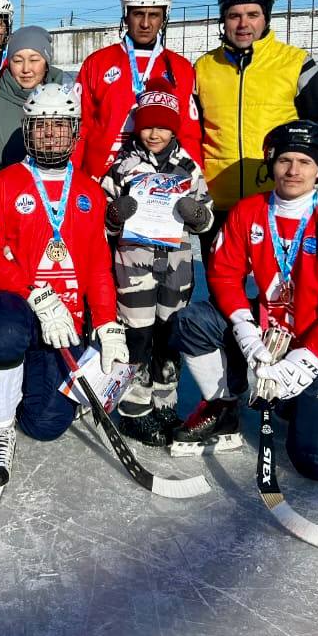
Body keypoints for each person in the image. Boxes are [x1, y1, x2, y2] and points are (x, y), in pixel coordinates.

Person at [167, 121, 318, 484]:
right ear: (272, 163)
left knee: (316, 462)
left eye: (305, 162)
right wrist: (245, 330)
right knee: (195, 320)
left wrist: (304, 359)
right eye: (285, 160)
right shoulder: (249, 212)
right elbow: (224, 274)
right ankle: (223, 405)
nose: (294, 171)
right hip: (274, 333)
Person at [0, 84, 128, 501]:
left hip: (65, 326)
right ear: (28, 130)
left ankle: (2, 381)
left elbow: (97, 268)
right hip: (21, 310)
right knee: (1, 326)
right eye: (43, 126)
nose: (52, 135)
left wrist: (108, 324)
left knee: (46, 425)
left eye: (61, 126)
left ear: (75, 132)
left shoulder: (90, 192)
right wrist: (34, 295)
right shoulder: (4, 184)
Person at [100, 83, 214, 447]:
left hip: (177, 263)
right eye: (148, 125)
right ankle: (134, 408)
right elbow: (103, 217)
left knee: (170, 333)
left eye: (162, 126)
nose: (154, 133)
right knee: (138, 335)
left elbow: (207, 217)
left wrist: (197, 215)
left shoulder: (188, 167)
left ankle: (165, 402)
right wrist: (115, 215)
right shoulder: (123, 166)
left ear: (174, 128)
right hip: (133, 261)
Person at [194, 0, 318, 249]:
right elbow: (192, 129)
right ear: (223, 20)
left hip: (277, 200)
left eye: (253, 14)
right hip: (218, 201)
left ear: (266, 18)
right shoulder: (204, 67)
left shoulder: (295, 62)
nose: (243, 24)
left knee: (277, 287)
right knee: (222, 285)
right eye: (234, 15)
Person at [76, 0, 202, 182]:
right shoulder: (97, 63)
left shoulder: (180, 68)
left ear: (165, 17)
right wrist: (74, 177)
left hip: (159, 184)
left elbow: (188, 133)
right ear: (125, 15)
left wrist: (191, 181)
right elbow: (81, 126)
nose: (145, 23)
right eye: (138, 14)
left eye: (153, 14)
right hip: (99, 177)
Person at [0, 25, 74, 211]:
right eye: (18, 60)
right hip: (8, 208)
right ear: (9, 63)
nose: (26, 69)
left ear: (46, 62)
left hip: (59, 206)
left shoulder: (67, 102)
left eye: (34, 59)